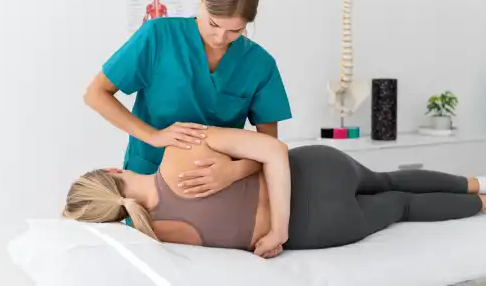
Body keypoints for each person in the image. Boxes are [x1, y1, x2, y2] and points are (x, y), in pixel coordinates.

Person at [63, 126, 486, 259]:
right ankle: (479, 185)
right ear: (112, 169)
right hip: (315, 171)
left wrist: (278, 232)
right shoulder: (180, 148)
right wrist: (235, 172)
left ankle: (481, 201)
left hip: (317, 229)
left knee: (403, 206)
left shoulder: (160, 237)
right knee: (393, 180)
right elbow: (273, 150)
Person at [83, 0, 292, 200]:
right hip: (149, 175)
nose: (220, 38)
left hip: (217, 187)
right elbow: (96, 94)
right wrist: (153, 135)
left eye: (235, 30)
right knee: (142, 237)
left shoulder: (259, 64)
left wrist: (234, 171)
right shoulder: (158, 36)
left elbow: (269, 145)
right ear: (201, 2)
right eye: (213, 24)